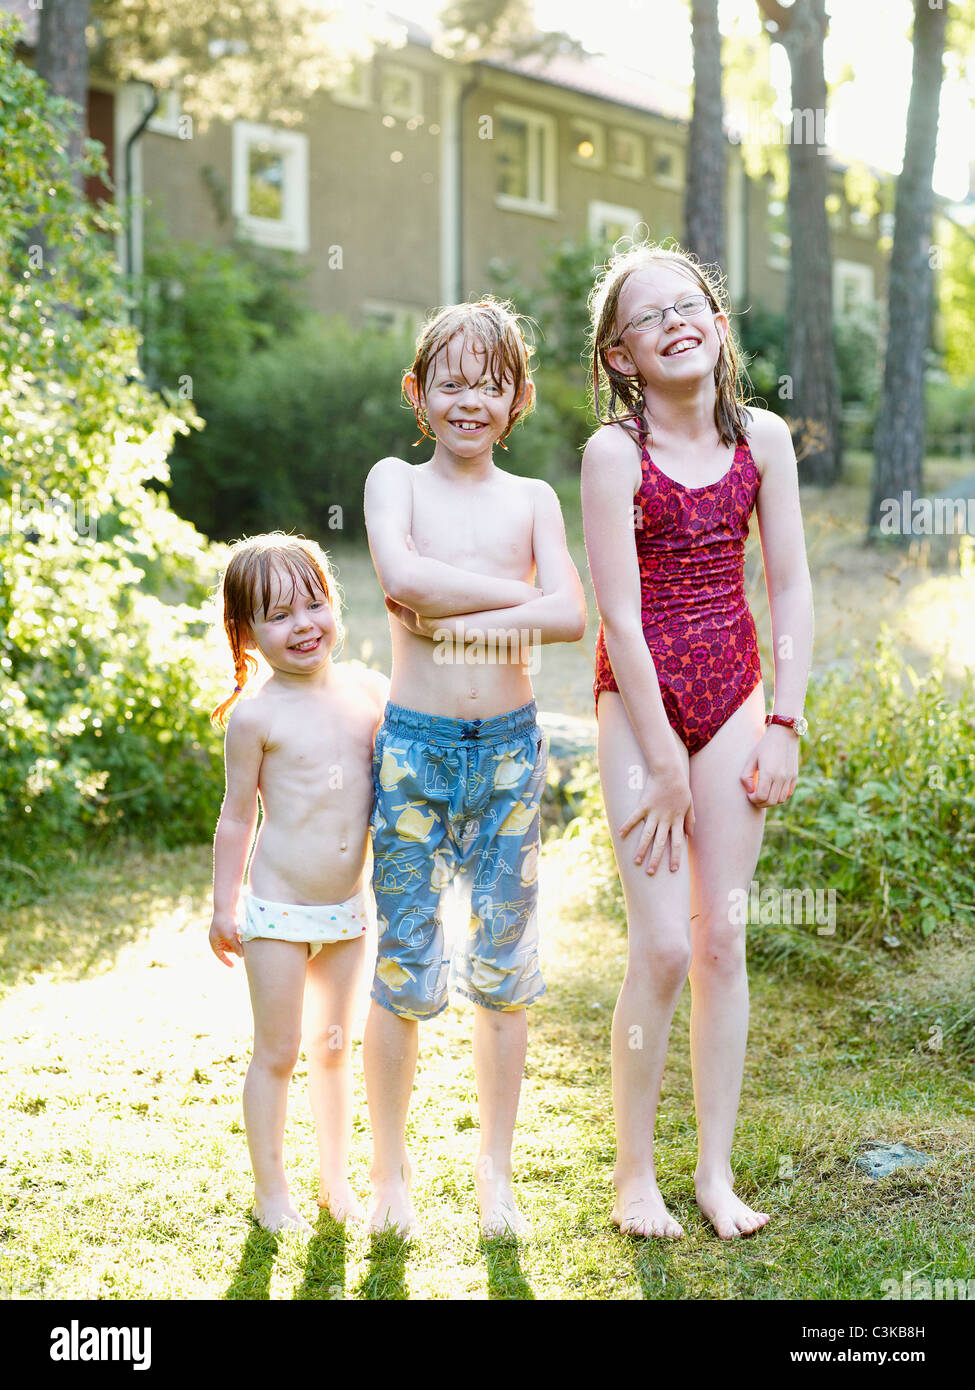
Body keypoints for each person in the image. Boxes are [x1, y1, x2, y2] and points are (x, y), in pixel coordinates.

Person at [582, 241, 813, 1240]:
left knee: (721, 936)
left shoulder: (761, 438)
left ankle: (714, 1175)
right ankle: (636, 1176)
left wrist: (786, 721)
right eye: (650, 315)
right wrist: (662, 759)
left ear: (718, 326)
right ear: (622, 354)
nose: (677, 321)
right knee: (665, 943)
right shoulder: (612, 454)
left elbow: (792, 585)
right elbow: (619, 619)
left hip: (734, 698)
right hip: (637, 705)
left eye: (692, 306)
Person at [362, 297, 587, 1239]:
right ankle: (389, 1176)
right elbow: (402, 577)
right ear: (419, 393)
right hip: (412, 748)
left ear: (519, 397)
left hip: (507, 755)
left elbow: (573, 615)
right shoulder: (394, 483)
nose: (468, 401)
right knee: (405, 963)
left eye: (488, 385)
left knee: (504, 968)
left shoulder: (531, 499)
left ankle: (495, 1175)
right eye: (449, 383)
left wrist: (466, 617)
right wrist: (519, 597)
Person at [208, 533, 388, 1234]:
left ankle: (335, 1180)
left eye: (314, 603)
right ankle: (270, 1188)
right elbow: (235, 818)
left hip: (349, 909)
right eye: (279, 615)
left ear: (335, 606)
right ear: (246, 634)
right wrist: (224, 905)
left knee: (335, 1047)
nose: (303, 624)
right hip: (278, 912)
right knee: (278, 1052)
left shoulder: (371, 693)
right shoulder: (257, 715)